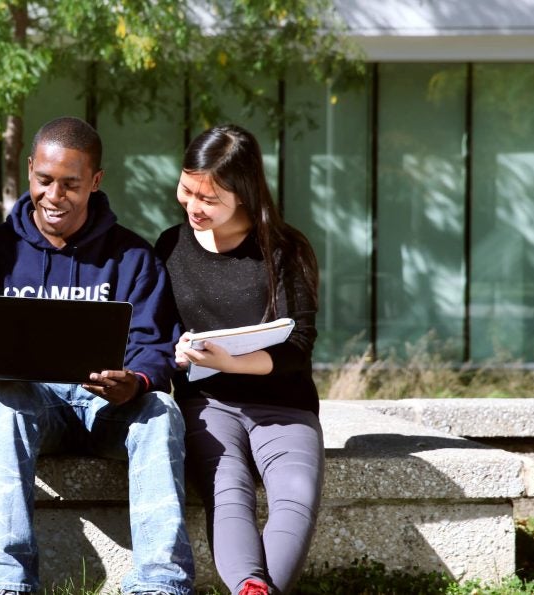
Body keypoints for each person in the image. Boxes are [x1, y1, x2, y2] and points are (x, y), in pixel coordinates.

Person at [0, 116, 194, 595]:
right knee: (5, 397)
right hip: (36, 406)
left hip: (108, 406)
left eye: (70, 184)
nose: (54, 196)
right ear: (29, 172)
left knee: (162, 411)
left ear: (96, 182)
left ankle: (160, 584)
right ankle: (5, 582)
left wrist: (138, 382)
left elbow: (157, 346)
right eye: (44, 181)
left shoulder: (132, 257)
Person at [154, 124, 323, 595]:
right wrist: (176, 351)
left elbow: (299, 347)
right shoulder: (169, 246)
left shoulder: (283, 251)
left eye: (210, 199)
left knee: (296, 494)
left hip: (284, 404)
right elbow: (153, 331)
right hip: (206, 405)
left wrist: (230, 361)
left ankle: (255, 589)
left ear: (245, 195)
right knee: (226, 490)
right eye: (187, 190)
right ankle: (252, 586)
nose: (193, 207)